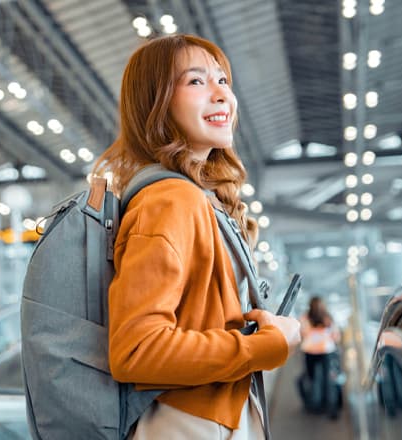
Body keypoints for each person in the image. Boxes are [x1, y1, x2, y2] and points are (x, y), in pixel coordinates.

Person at [95, 34, 301, 439]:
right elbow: (138, 349)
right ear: (156, 104)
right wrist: (269, 345)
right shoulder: (170, 200)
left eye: (223, 80)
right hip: (190, 426)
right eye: (195, 81)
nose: (221, 94)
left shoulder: (196, 199)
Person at [298, 296, 341, 418]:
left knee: (312, 379)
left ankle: (315, 405)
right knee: (329, 380)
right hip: (327, 352)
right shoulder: (328, 318)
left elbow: (301, 334)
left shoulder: (304, 318)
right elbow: (336, 336)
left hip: (310, 352)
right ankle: (331, 409)